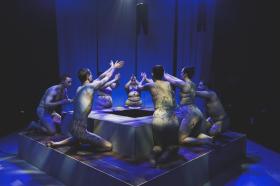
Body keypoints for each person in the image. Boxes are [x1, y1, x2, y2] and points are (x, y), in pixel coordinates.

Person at [46, 60, 124, 151]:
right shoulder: (90, 87)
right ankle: (86, 145)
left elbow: (100, 77)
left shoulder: (80, 88)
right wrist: (115, 68)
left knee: (76, 137)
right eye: (90, 74)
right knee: (108, 146)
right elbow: (106, 78)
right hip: (82, 132)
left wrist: (112, 67)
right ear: (87, 76)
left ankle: (56, 144)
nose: (92, 76)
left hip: (75, 129)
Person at [138, 66, 179, 165]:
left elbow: (139, 87)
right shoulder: (169, 84)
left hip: (159, 117)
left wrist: (143, 79)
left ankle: (153, 158)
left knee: (158, 146)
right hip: (172, 118)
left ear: (152, 74)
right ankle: (165, 155)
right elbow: (174, 103)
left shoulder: (151, 85)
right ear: (163, 73)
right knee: (173, 145)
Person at [164, 67, 213, 146]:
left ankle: (205, 141)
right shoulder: (192, 84)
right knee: (195, 134)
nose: (180, 74)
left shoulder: (183, 84)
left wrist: (162, 73)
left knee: (181, 140)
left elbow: (171, 80)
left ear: (185, 74)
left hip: (190, 113)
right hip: (196, 111)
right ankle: (209, 139)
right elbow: (175, 79)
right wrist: (166, 73)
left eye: (181, 72)